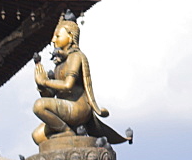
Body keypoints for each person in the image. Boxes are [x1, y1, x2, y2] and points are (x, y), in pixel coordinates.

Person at [31, 11, 128, 146]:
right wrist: (41, 85)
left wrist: (45, 81)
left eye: (57, 36)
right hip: (64, 108)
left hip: (77, 107)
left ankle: (66, 131)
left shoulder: (75, 57)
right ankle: (66, 135)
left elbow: (67, 85)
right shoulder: (60, 63)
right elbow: (51, 94)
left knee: (39, 106)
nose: (53, 40)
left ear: (70, 37)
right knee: (37, 136)